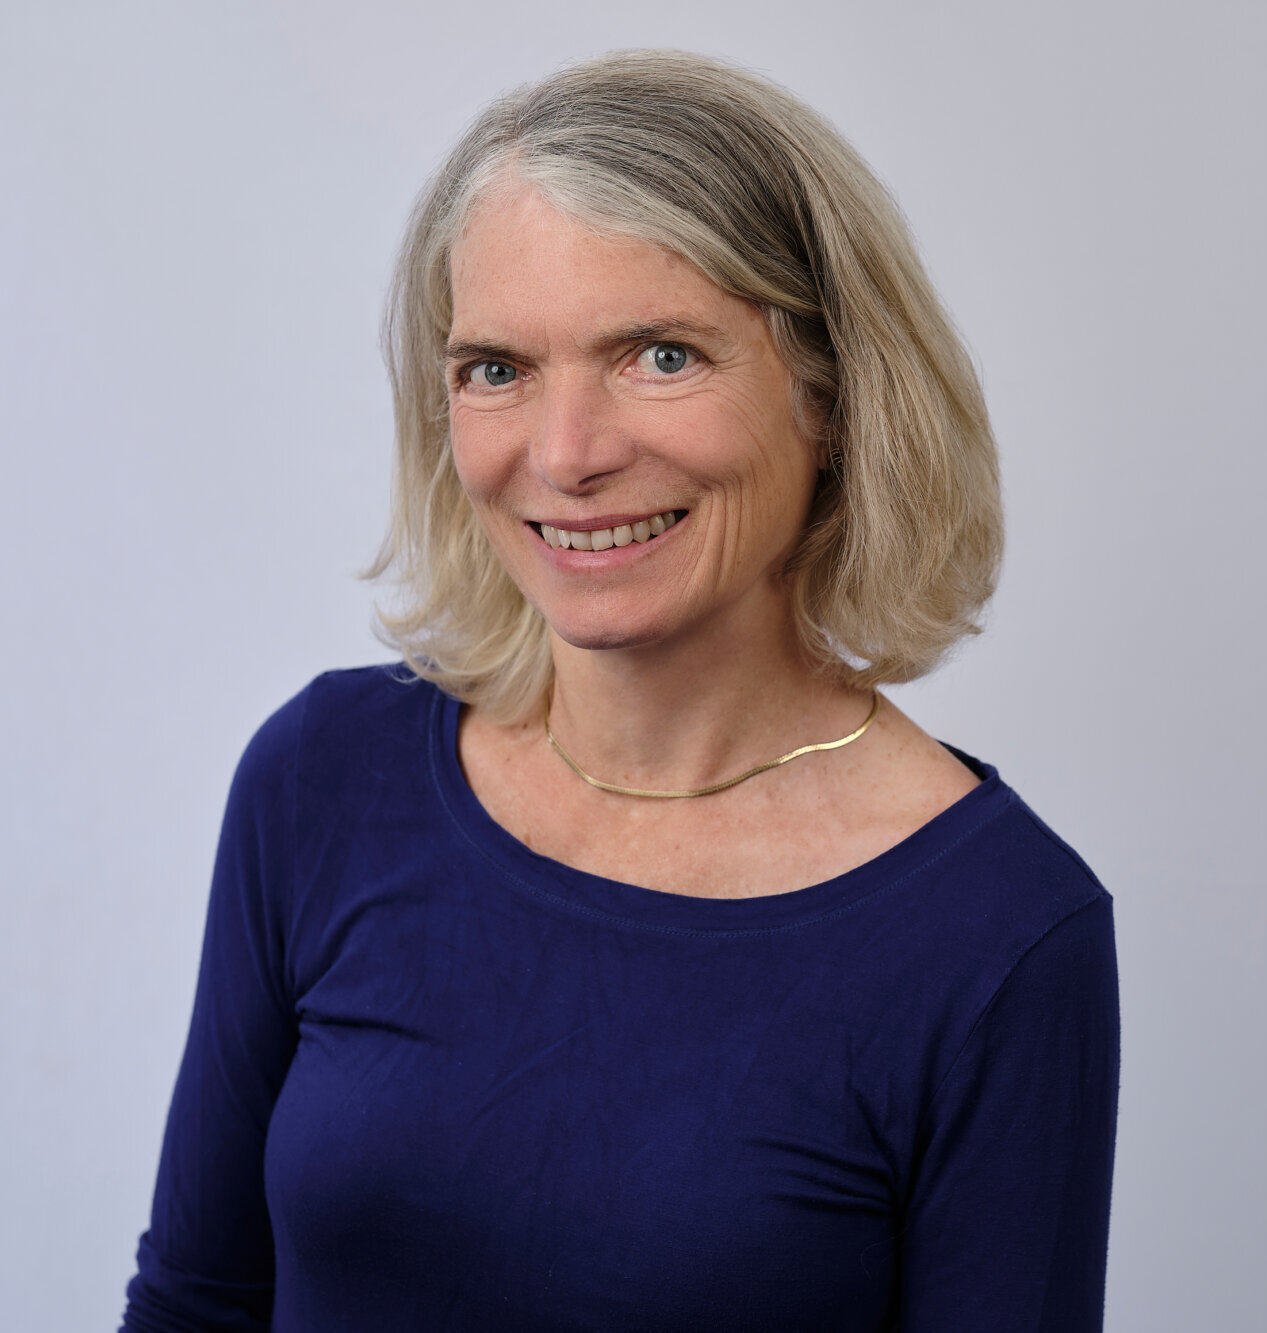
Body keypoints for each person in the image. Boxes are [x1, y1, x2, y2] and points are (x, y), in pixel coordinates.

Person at [120, 48, 1120, 1333]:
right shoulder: (325, 777)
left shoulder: (997, 931)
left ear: (832, 394)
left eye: (658, 355)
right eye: (496, 368)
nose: (565, 454)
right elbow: (199, 1302)